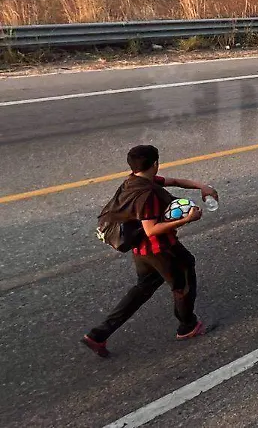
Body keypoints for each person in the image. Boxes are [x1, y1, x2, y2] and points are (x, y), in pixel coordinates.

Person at [82, 145, 216, 357]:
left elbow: (173, 181)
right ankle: (187, 326)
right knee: (183, 281)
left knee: (143, 288)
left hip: (142, 252)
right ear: (155, 163)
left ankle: (99, 334)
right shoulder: (148, 195)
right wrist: (186, 219)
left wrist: (202, 186)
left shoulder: (133, 182)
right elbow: (151, 229)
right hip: (161, 249)